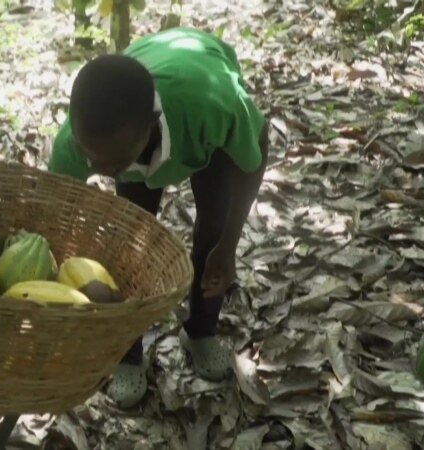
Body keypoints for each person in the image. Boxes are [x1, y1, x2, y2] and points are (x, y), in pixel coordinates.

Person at [48, 27, 269, 408]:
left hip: (200, 128)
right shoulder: (79, 141)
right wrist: (81, 281)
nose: (99, 169)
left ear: (150, 124)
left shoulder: (214, 106)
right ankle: (128, 354)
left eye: (112, 162)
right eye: (90, 158)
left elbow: (256, 152)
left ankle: (200, 331)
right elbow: (55, 219)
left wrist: (229, 245)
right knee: (127, 248)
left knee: (214, 229)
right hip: (148, 119)